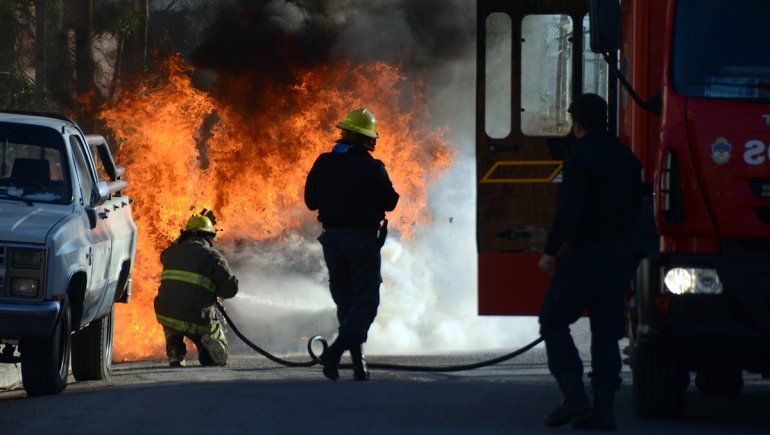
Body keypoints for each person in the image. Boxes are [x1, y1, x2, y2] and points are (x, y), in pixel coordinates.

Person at [537, 94, 642, 430]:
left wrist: (551, 251)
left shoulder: (581, 157)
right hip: (619, 256)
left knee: (553, 320)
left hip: (585, 256)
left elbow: (569, 211)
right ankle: (604, 411)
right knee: (605, 333)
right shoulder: (628, 158)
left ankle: (573, 396)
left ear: (577, 124)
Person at [304, 108, 399, 381]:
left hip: (332, 241)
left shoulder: (323, 162)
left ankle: (359, 365)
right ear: (364, 138)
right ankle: (334, 354)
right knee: (366, 303)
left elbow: (311, 201)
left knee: (346, 302)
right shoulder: (372, 167)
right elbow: (390, 201)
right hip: (361, 241)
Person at [154, 210, 239, 367]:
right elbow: (231, 290)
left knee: (173, 321)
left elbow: (169, 250)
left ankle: (175, 352)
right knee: (217, 354)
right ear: (208, 237)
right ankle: (205, 343)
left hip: (166, 313)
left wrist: (182, 236)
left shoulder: (169, 253)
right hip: (197, 316)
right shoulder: (213, 256)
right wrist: (216, 291)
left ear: (186, 235)